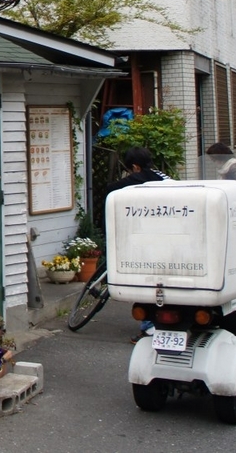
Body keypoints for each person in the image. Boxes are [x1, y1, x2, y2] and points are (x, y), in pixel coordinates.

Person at [99, 147, 167, 343]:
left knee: (145, 281)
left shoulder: (135, 180)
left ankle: (149, 327)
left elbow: (110, 190)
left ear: (135, 167)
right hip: (169, 239)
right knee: (164, 284)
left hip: (144, 240)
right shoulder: (164, 178)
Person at [206, 141, 236, 215]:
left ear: (220, 158)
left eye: (214, 160)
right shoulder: (226, 170)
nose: (213, 163)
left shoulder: (234, 172)